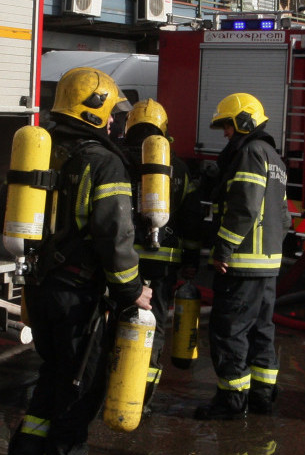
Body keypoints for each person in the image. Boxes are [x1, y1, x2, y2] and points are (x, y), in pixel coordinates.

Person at [7, 67, 152, 455]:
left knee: (53, 376)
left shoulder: (42, 149)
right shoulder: (104, 163)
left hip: (38, 288)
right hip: (77, 301)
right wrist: (132, 290)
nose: (113, 121)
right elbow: (114, 237)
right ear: (92, 112)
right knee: (78, 395)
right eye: (109, 113)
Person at [195, 92, 290, 420]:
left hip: (242, 264)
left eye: (228, 127)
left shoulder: (249, 154)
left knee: (230, 332)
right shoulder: (274, 158)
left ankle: (231, 403)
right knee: (262, 330)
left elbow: (244, 208)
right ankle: (262, 397)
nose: (225, 134)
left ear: (244, 123)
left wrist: (222, 248)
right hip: (267, 266)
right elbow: (285, 218)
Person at [121, 98, 200, 413]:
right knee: (153, 327)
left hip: (122, 261)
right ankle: (143, 396)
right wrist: (192, 261)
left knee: (115, 320)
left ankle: (112, 386)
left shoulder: (117, 161)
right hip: (162, 264)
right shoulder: (178, 168)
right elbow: (192, 219)